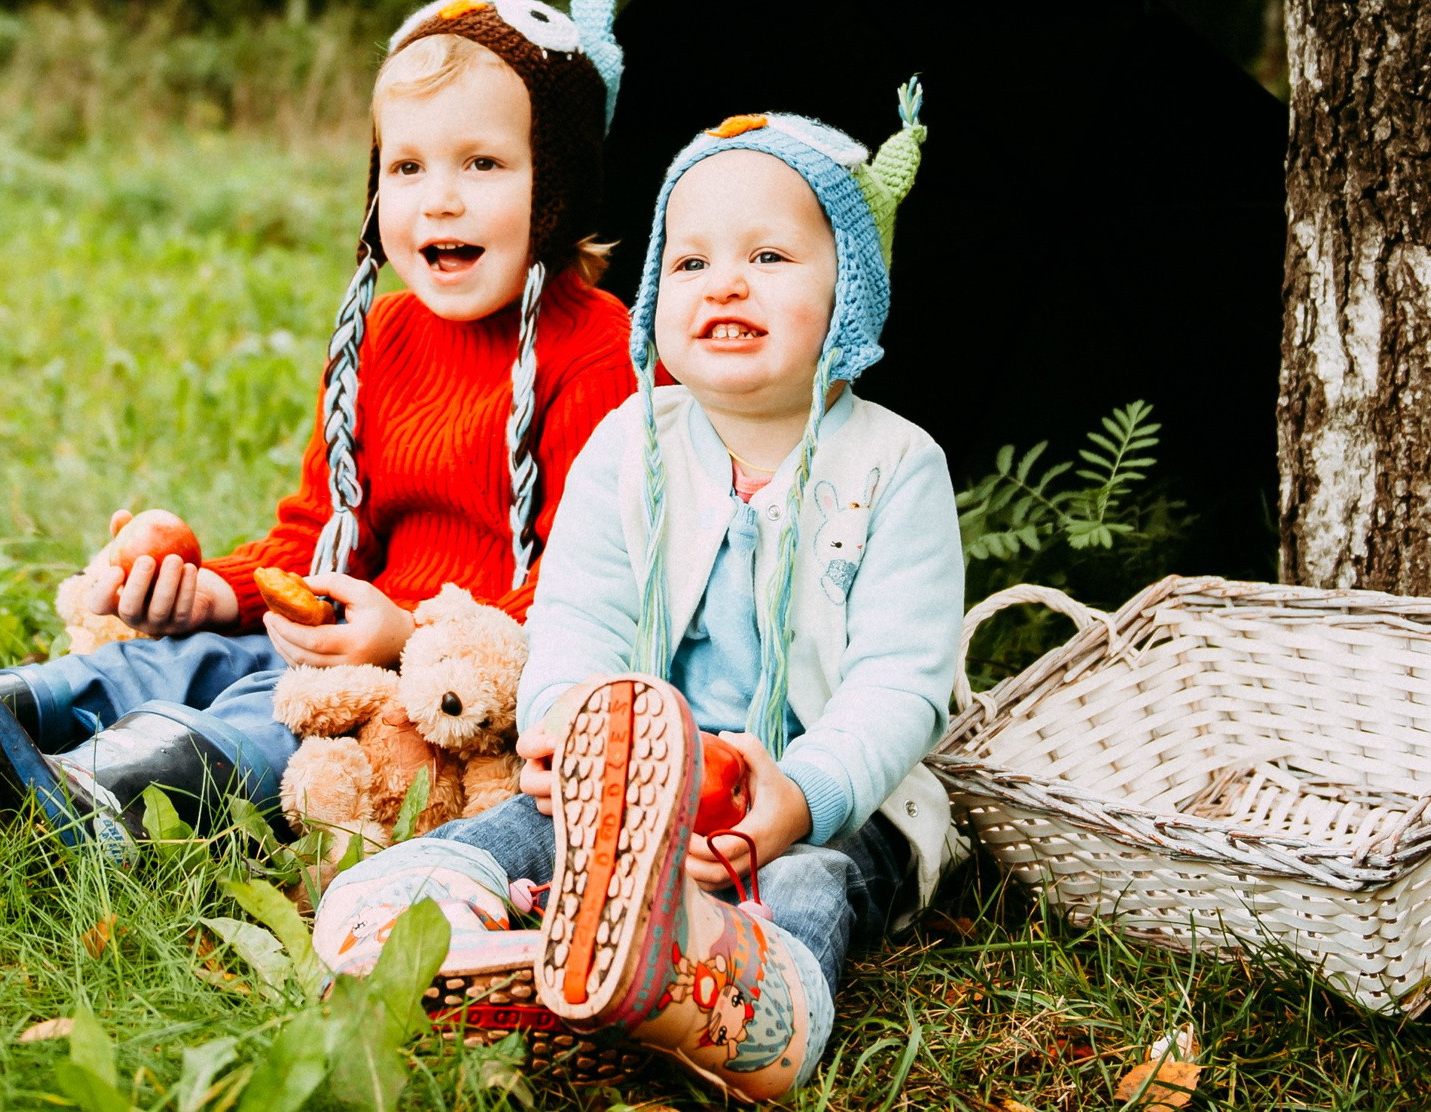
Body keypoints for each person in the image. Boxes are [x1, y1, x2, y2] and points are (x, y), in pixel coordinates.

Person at [0, 0, 637, 851]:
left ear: (561, 187)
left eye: (483, 164)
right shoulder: (384, 334)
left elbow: (588, 596)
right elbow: (319, 532)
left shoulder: (595, 352)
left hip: (454, 689)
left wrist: (405, 635)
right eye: (407, 167)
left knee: (284, 720)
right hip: (345, 629)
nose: (440, 198)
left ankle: (79, 803)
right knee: (188, 657)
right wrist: (206, 592)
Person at [311, 87, 962, 1100]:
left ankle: (740, 990)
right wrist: (566, 729)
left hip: (827, 797)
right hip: (631, 782)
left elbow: (899, 682)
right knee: (523, 832)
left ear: (853, 287)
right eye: (693, 262)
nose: (725, 285)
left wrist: (801, 796)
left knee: (808, 883)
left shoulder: (896, 465)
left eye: (770, 257)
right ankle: (434, 924)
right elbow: (582, 614)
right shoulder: (634, 442)